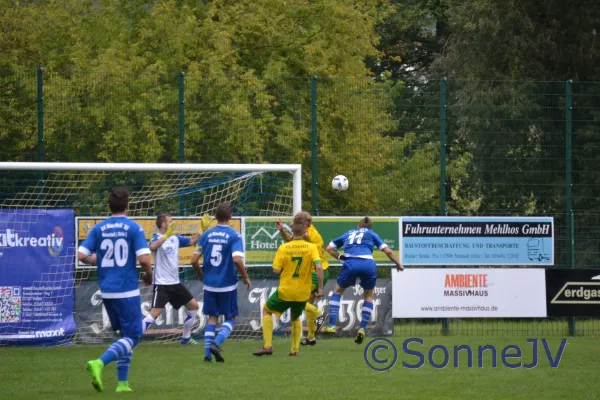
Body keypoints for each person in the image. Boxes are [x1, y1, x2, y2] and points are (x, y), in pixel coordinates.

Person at [77, 188, 153, 393]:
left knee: (125, 336)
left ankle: (122, 384)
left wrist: (99, 260)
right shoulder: (133, 228)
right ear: (127, 205)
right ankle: (99, 363)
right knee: (134, 336)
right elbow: (145, 259)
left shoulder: (99, 228)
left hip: (107, 290)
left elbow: (82, 255)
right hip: (126, 290)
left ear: (109, 206)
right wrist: (149, 275)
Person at [321, 217, 403, 344]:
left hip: (350, 263)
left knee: (337, 292)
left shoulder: (349, 233)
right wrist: (398, 264)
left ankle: (331, 325)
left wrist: (340, 257)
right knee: (369, 296)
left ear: (358, 226)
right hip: (368, 264)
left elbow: (329, 248)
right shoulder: (371, 234)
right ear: (370, 227)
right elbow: (388, 251)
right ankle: (362, 328)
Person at [253, 214, 323, 357]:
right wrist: (320, 288)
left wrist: (284, 265)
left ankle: (267, 346)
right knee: (296, 317)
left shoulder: (284, 248)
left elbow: (276, 271)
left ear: (293, 230)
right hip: (303, 292)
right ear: (305, 230)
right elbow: (319, 268)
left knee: (267, 310)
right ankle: (294, 351)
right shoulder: (311, 248)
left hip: (286, 290)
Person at [190, 202, 251, 363]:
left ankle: (207, 355)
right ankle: (216, 344)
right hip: (227, 284)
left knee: (212, 317)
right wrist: (245, 277)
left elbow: (193, 260)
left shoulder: (207, 235)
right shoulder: (234, 235)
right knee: (231, 318)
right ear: (230, 217)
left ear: (215, 217)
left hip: (210, 284)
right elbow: (237, 259)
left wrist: (201, 275)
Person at [141, 213, 211, 344]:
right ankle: (131, 337)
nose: (173, 224)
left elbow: (191, 241)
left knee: (194, 306)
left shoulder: (175, 238)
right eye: (170, 221)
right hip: (162, 284)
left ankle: (185, 338)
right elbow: (152, 247)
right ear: (163, 224)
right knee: (154, 315)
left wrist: (202, 230)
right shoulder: (156, 238)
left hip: (175, 283)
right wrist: (166, 236)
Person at [275, 211, 328, 346]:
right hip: (316, 272)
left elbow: (302, 235)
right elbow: (290, 240)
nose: (293, 224)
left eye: (297, 222)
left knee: (300, 299)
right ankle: (311, 337)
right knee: (308, 302)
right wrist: (282, 230)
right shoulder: (306, 232)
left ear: (305, 224)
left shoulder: (311, 233)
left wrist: (291, 226)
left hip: (316, 272)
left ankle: (319, 314)